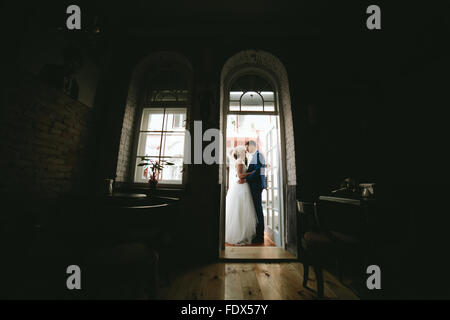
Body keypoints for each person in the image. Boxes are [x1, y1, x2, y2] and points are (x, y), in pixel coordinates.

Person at [225, 146, 257, 245]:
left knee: (243, 211)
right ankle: (239, 234)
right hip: (241, 188)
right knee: (239, 211)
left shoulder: (241, 161)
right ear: (239, 152)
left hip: (243, 186)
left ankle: (243, 232)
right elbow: (239, 175)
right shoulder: (239, 161)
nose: (245, 151)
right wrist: (251, 173)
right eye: (243, 151)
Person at [243, 140, 266, 244]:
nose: (246, 149)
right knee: (256, 209)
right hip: (254, 185)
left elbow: (257, 171)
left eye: (247, 147)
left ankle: (260, 236)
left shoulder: (259, 155)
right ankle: (257, 233)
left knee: (258, 209)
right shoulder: (254, 156)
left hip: (256, 186)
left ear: (251, 145)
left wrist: (246, 179)